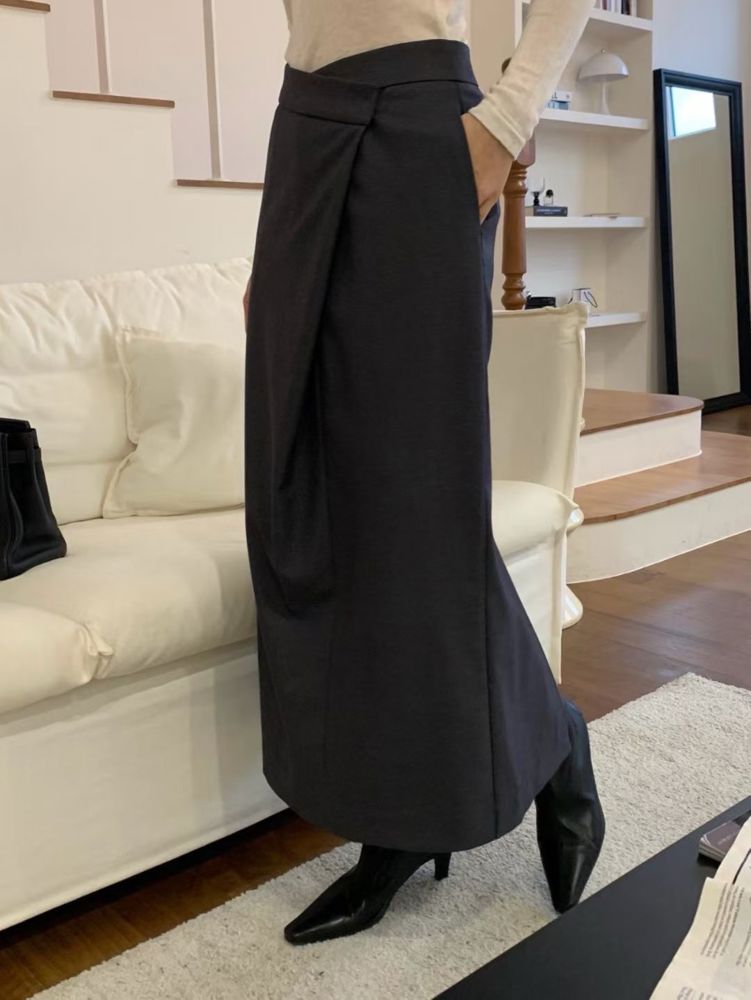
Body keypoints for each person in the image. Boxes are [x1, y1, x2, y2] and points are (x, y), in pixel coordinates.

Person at [243, 0, 603, 946]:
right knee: (303, 502)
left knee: (410, 498)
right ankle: (431, 793)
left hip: (416, 128)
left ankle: (510, 762)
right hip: (303, 127)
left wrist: (507, 120)